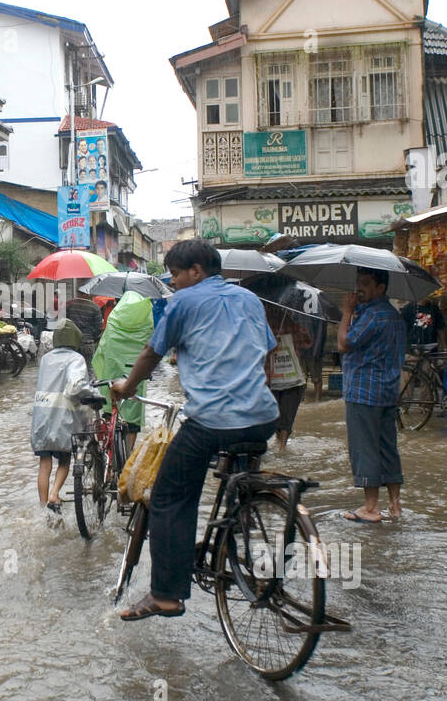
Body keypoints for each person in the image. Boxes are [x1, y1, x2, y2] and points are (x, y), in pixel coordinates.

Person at [110, 241, 279, 620]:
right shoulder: (249, 299)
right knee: (235, 467)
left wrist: (128, 387)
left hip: (212, 420)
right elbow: (266, 351)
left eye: (174, 274)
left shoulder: (182, 304)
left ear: (197, 271)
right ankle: (240, 522)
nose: (172, 282)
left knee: (170, 494)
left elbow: (152, 353)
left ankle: (167, 595)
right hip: (264, 416)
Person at [338, 268, 407, 523]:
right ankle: (395, 505)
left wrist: (346, 313)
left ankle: (370, 507)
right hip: (388, 391)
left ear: (381, 288)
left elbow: (343, 344)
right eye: (359, 283)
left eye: (366, 284)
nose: (360, 288)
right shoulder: (393, 316)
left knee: (364, 447)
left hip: (363, 392)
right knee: (388, 448)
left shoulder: (374, 315)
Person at [30, 319, 92, 512]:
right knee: (65, 460)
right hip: (63, 418)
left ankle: (42, 507)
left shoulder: (46, 359)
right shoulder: (76, 359)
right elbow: (76, 386)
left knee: (44, 462)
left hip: (41, 417)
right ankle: (54, 494)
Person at [91, 292, 153, 452]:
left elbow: (102, 350)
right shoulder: (146, 323)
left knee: (110, 410)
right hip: (135, 377)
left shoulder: (113, 321)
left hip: (111, 374)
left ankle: (108, 453)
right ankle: (127, 455)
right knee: (132, 420)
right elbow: (150, 350)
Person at [264, 303, 308, 451]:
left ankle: (281, 446)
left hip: (275, 379)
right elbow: (307, 342)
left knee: (279, 417)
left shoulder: (263, 327)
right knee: (285, 417)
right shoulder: (292, 325)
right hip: (289, 379)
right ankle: (281, 446)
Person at [64, 290, 104, 360]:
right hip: (87, 342)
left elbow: (63, 322)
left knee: (71, 366)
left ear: (78, 293)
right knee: (88, 367)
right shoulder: (95, 307)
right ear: (87, 294)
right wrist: (92, 337)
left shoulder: (69, 304)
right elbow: (99, 328)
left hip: (71, 342)